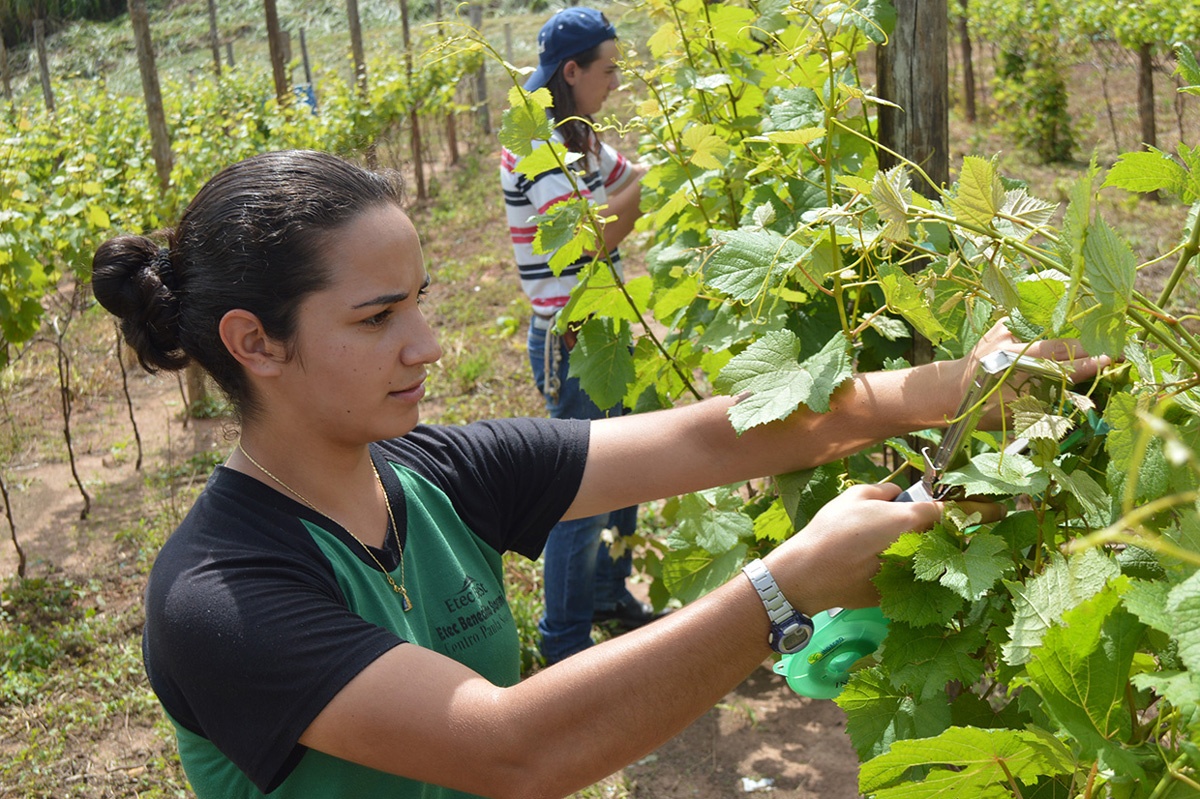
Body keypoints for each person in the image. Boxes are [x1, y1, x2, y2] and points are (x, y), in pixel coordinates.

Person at [91, 150, 1103, 799]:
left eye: (419, 304)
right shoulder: (217, 597)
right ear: (253, 342)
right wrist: (782, 590)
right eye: (375, 318)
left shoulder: (435, 473)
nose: (428, 345)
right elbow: (509, 748)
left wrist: (958, 386)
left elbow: (717, 438)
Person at [500, 6, 654, 664]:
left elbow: (628, 179)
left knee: (624, 480)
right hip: (572, 338)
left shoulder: (579, 139)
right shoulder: (537, 148)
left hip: (607, 333)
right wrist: (637, 199)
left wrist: (638, 188)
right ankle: (562, 641)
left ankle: (607, 597)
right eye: (608, 68)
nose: (616, 80)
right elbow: (587, 242)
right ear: (573, 70)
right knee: (583, 494)